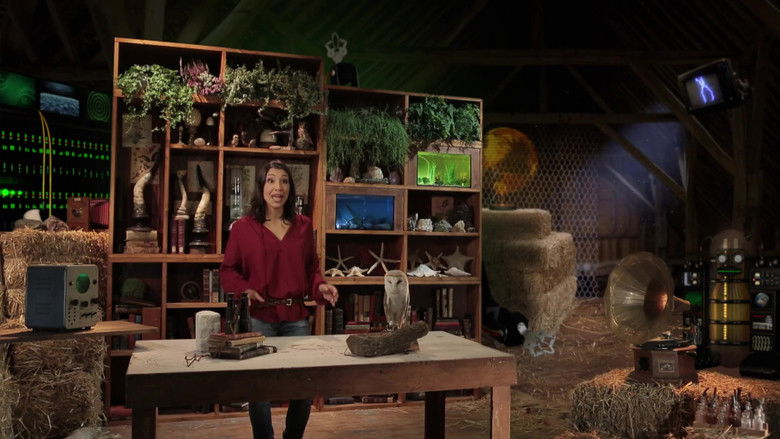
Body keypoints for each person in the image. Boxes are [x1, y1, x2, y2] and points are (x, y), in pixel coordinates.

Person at [220, 160, 338, 439]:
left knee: (303, 387)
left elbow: (311, 269)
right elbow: (228, 270)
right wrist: (244, 290)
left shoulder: (303, 226)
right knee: (259, 389)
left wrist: (321, 286)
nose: (278, 187)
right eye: (271, 180)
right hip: (259, 318)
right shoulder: (243, 228)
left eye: (284, 181)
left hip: (296, 317)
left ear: (290, 188)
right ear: (261, 187)